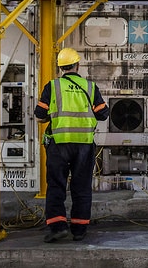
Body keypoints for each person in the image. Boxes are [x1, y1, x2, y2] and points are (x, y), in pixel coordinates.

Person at [34, 47, 109, 243]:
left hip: (59, 144)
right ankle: (79, 230)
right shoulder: (91, 87)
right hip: (84, 145)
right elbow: (103, 114)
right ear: (78, 65)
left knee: (56, 186)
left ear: (60, 67)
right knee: (82, 187)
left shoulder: (52, 87)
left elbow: (39, 116)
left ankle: (57, 227)